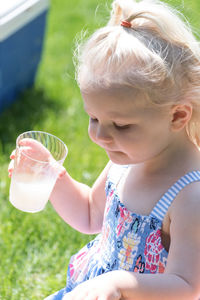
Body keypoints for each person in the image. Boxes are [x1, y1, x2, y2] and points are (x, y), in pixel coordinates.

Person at [8, 0, 200, 299]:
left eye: (120, 126)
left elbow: (189, 287)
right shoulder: (128, 160)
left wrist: (118, 283)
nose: (98, 135)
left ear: (177, 116)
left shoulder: (189, 196)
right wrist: (53, 175)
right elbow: (90, 213)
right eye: (93, 118)